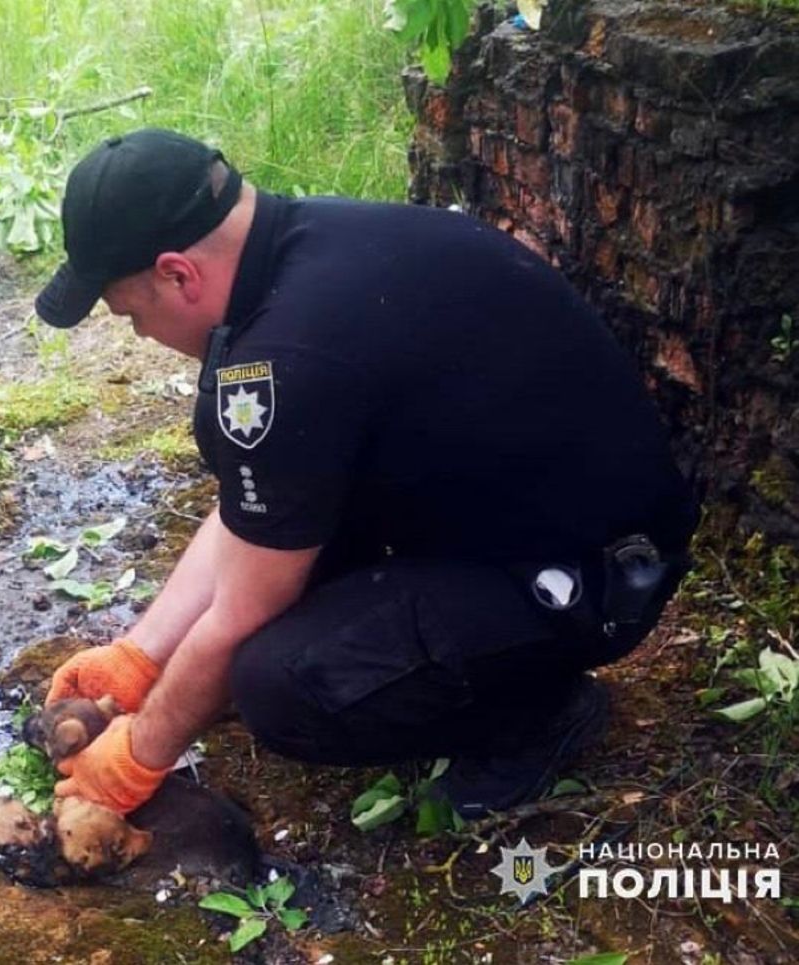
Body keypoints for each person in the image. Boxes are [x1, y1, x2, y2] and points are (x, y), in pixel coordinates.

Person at [34, 128, 697, 820]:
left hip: (591, 576)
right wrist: (140, 656)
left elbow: (240, 610)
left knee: (279, 683)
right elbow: (260, 505)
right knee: (280, 583)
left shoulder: (293, 352)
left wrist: (142, 751)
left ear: (177, 273)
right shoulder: (311, 243)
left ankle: (537, 714)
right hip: (524, 510)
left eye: (133, 316)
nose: (143, 336)